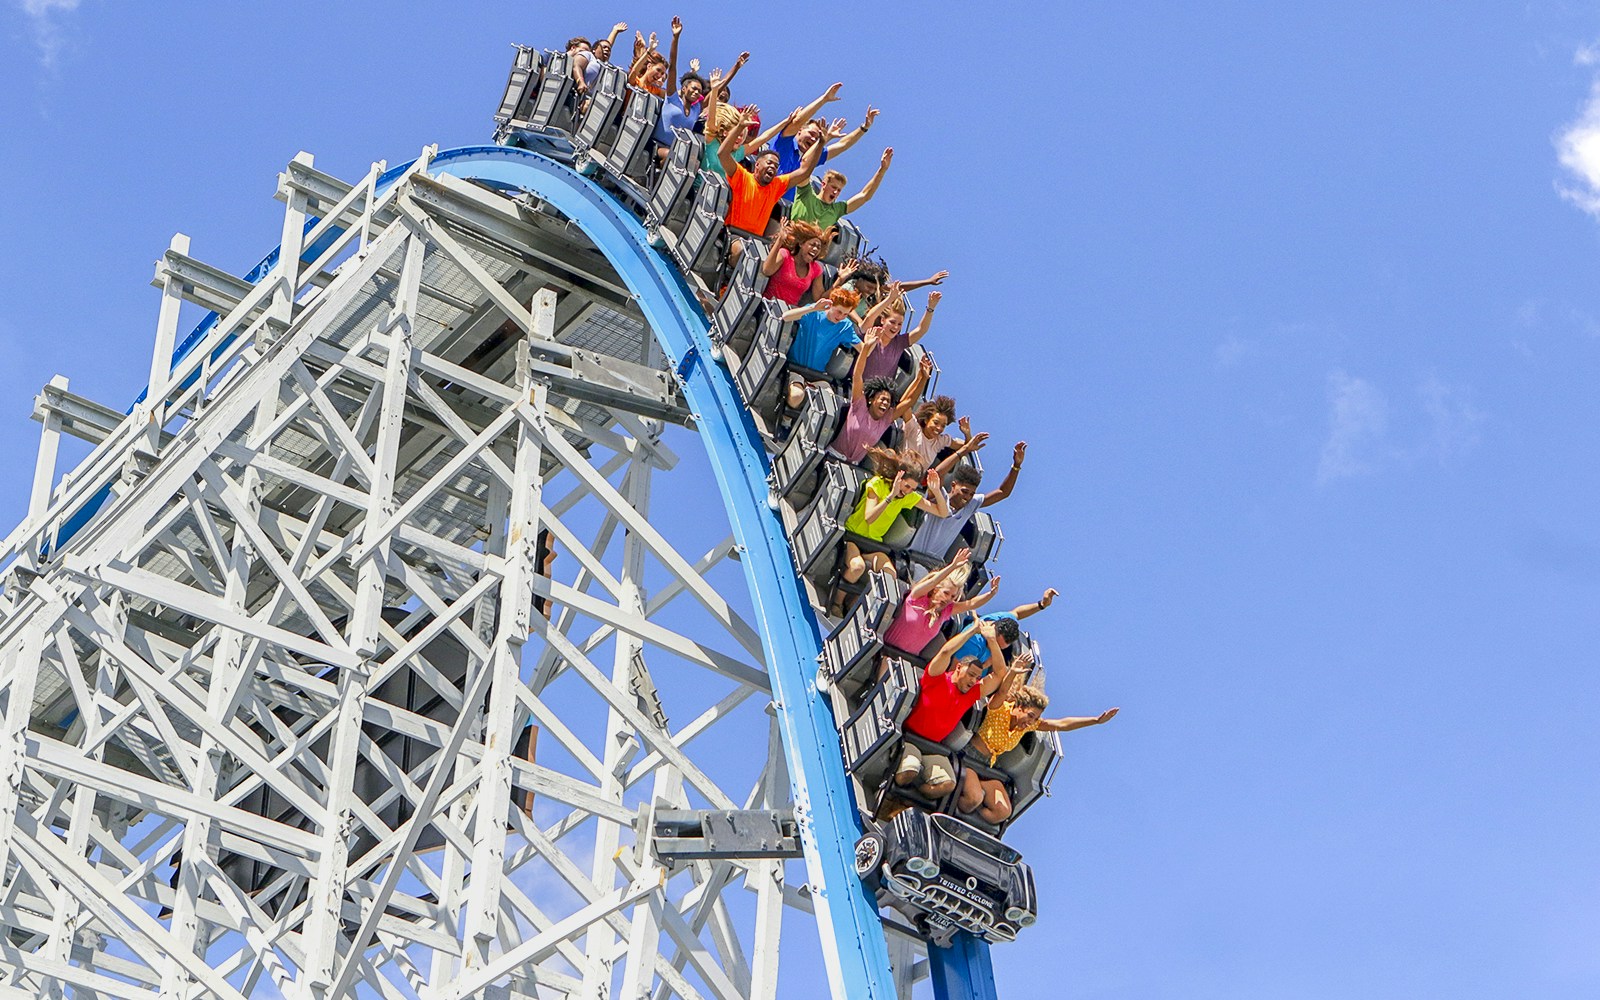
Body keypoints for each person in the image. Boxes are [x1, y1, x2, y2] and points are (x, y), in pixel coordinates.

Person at [958, 673, 1119, 824]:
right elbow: (1002, 691)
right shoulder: (999, 709)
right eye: (1030, 715)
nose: (1031, 721)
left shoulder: (1028, 727)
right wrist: (1013, 672)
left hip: (989, 767)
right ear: (1019, 707)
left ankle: (969, 814)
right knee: (974, 798)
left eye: (1035, 718)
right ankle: (953, 813)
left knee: (1002, 812)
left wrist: (1096, 720)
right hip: (971, 758)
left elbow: (1061, 724)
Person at [891, 618, 1016, 802]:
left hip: (933, 749)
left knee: (947, 784)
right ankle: (892, 796)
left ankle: (907, 800)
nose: (974, 681)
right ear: (959, 668)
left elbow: (999, 674)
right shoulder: (937, 677)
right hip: (910, 739)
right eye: (971, 675)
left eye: (977, 677)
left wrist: (991, 640)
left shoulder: (971, 693)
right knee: (910, 769)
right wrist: (973, 630)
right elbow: (946, 651)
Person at [836, 447, 950, 613]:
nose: (908, 491)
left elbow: (942, 512)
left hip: (874, 544)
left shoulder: (908, 497)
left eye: (912, 489)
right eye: (907, 486)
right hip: (854, 536)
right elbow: (869, 517)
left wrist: (936, 491)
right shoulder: (878, 484)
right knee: (857, 567)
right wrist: (891, 496)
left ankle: (855, 602)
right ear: (899, 477)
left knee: (890, 575)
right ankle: (837, 602)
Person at [905, 441, 1026, 570]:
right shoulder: (938, 496)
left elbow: (1003, 492)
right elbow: (937, 475)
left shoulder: (970, 506)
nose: (967, 497)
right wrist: (964, 450)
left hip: (933, 566)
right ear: (953, 485)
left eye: (971, 494)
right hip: (912, 558)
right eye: (964, 491)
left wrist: (1016, 466)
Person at [879, 547, 999, 664]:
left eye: (952, 597)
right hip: (885, 653)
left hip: (906, 662)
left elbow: (971, 604)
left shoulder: (945, 612)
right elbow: (933, 581)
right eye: (946, 593)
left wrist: (991, 594)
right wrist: (952, 566)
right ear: (936, 589)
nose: (948, 599)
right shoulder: (917, 597)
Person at [717, 106, 822, 237]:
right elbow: (723, 154)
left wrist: (822, 143)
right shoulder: (741, 176)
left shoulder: (775, 186)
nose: (773, 167)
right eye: (769, 163)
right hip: (732, 235)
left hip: (755, 243)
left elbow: (804, 172)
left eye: (776, 165)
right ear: (757, 164)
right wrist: (739, 127)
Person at [827, 338, 929, 462]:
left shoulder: (886, 420)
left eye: (888, 401)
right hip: (832, 456)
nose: (885, 403)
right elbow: (857, 375)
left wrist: (922, 378)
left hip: (851, 466)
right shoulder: (859, 405)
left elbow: (909, 401)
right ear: (871, 400)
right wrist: (865, 349)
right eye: (883, 399)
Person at [947, 589, 1060, 669]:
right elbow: (954, 671)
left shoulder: (1003, 619)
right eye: (993, 642)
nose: (994, 647)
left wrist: (1042, 605)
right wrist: (986, 664)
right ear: (992, 626)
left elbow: (1017, 613)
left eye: (999, 647)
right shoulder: (974, 642)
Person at [789, 148, 893, 232]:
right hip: (791, 243)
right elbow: (804, 165)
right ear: (823, 184)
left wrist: (882, 170)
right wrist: (822, 141)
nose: (836, 192)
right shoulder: (806, 194)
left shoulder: (836, 210)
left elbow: (865, 195)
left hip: (809, 253)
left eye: (839, 190)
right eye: (833, 187)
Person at [857, 285, 939, 381]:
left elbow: (921, 330)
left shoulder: (899, 342)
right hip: (856, 387)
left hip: (879, 392)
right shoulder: (871, 334)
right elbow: (869, 317)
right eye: (892, 322)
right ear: (883, 320)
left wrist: (930, 308)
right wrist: (890, 299)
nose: (896, 327)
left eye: (900, 324)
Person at [780, 290, 861, 376]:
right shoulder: (813, 312)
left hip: (818, 375)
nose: (841, 317)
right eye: (839, 312)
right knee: (797, 389)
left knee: (827, 390)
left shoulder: (846, 326)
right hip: (794, 368)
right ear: (831, 304)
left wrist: (871, 342)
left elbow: (863, 350)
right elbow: (785, 317)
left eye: (845, 314)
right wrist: (813, 308)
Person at [761, 220, 827, 306]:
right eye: (812, 245)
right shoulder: (785, 255)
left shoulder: (816, 269)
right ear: (801, 244)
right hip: (767, 306)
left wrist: (840, 280)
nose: (815, 249)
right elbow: (767, 270)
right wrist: (780, 240)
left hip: (789, 314)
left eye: (818, 247)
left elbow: (819, 299)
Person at [652, 71, 707, 153]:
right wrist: (673, 57)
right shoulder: (673, 99)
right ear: (684, 89)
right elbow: (672, 69)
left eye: (699, 91)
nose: (696, 92)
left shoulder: (696, 109)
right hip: (656, 146)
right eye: (694, 88)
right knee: (670, 155)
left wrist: (716, 88)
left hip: (676, 152)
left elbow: (712, 97)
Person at [570, 22, 627, 96]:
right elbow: (577, 65)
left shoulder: (605, 67)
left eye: (609, 50)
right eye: (604, 48)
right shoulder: (589, 56)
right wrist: (580, 82)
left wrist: (615, 31)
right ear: (594, 49)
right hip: (578, 94)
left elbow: (606, 46)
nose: (607, 50)